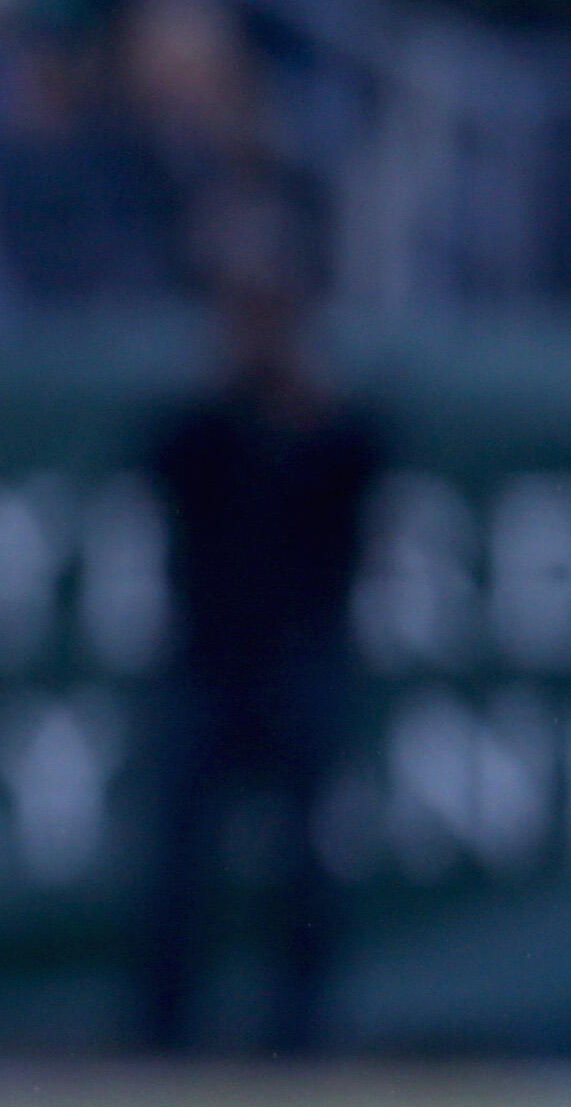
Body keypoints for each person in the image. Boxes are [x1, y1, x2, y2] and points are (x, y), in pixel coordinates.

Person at [135, 270, 384, 1059]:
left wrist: (306, 404)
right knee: (179, 858)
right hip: (208, 665)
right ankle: (163, 1032)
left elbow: (369, 466)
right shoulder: (205, 428)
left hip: (299, 665)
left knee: (304, 861)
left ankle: (299, 1031)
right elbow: (159, 460)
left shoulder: (328, 429)